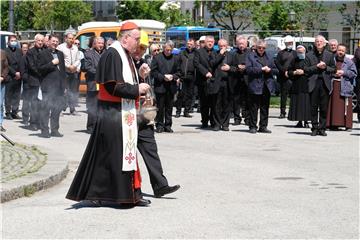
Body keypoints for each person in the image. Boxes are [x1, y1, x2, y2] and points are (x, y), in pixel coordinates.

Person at [66, 22, 152, 207]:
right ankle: (116, 195)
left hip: (121, 113)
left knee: (116, 155)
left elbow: (124, 80)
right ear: (126, 37)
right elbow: (114, 87)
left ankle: (129, 194)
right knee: (111, 156)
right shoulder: (113, 54)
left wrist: (140, 76)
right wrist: (138, 88)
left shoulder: (124, 54)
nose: (138, 43)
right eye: (136, 39)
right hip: (112, 113)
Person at [132, 30, 181, 198]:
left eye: (143, 48)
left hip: (142, 116)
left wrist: (142, 76)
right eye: (139, 47)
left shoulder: (141, 62)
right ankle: (126, 189)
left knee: (150, 148)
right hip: (126, 116)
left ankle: (160, 185)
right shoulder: (123, 61)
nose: (140, 51)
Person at [304, 35, 336, 136]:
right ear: (314, 43)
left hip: (324, 83)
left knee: (324, 107)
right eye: (317, 41)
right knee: (313, 107)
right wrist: (316, 67)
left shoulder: (329, 55)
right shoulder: (309, 55)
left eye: (321, 41)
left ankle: (322, 128)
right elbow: (305, 69)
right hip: (313, 83)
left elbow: (334, 69)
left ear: (324, 43)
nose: (319, 43)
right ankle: (314, 127)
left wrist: (326, 67)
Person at [246, 39, 279, 134]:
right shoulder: (251, 56)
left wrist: (270, 70)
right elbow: (248, 70)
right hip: (255, 85)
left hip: (267, 85)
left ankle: (263, 126)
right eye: (259, 47)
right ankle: (252, 126)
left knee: (265, 107)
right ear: (256, 47)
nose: (261, 49)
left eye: (263, 48)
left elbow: (276, 69)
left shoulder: (269, 56)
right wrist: (261, 69)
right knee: (254, 108)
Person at [37, 34, 66, 138]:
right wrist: (52, 63)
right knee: (46, 109)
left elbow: (63, 71)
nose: (55, 43)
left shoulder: (61, 54)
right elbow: (40, 69)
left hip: (59, 87)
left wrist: (64, 86)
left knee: (57, 109)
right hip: (48, 87)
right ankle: (44, 130)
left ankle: (55, 130)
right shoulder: (42, 54)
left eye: (57, 41)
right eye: (53, 41)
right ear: (48, 42)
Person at [326, 44, 357, 130]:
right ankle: (332, 124)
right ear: (337, 50)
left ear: (345, 52)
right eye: (339, 50)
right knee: (333, 105)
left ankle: (347, 125)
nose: (340, 52)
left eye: (342, 51)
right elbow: (327, 70)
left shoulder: (349, 62)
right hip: (334, 85)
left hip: (345, 85)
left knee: (345, 106)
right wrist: (333, 73)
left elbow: (354, 73)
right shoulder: (332, 60)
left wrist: (344, 72)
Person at [151, 40, 179, 133]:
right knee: (160, 107)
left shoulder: (175, 58)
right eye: (167, 50)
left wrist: (173, 76)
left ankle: (168, 125)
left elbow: (179, 72)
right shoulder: (157, 58)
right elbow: (153, 72)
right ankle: (159, 125)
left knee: (169, 107)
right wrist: (163, 77)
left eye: (170, 50)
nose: (169, 52)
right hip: (160, 86)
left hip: (171, 86)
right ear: (163, 49)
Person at [194, 35, 219, 129]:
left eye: (212, 42)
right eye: (208, 41)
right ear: (205, 42)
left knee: (213, 103)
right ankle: (204, 121)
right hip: (202, 81)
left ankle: (213, 122)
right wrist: (205, 73)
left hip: (213, 82)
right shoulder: (198, 52)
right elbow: (196, 64)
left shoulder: (216, 52)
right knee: (204, 103)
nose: (210, 43)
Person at [226, 35, 251, 126]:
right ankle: (237, 118)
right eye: (239, 44)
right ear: (237, 44)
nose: (241, 45)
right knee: (236, 100)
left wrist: (245, 67)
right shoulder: (233, 54)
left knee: (247, 100)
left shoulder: (250, 53)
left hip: (247, 79)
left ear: (246, 44)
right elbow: (230, 66)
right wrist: (237, 68)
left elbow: (253, 65)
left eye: (243, 44)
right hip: (236, 80)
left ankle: (247, 118)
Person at [83, 36, 105, 134]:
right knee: (93, 106)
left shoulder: (106, 53)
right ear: (94, 44)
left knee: (102, 107)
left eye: (102, 43)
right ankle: (90, 127)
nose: (101, 45)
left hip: (104, 84)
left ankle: (100, 126)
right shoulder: (88, 54)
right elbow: (88, 68)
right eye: (99, 43)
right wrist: (101, 73)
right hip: (93, 84)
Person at [22, 34, 44, 131]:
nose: (40, 42)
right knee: (34, 103)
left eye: (42, 41)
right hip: (34, 80)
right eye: (38, 41)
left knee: (41, 104)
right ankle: (33, 123)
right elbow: (32, 66)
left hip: (43, 81)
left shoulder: (44, 51)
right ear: (35, 41)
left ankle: (39, 122)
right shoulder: (30, 52)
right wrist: (42, 72)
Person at [287, 45, 311, 127]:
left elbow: (313, 70)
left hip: (306, 85)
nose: (300, 54)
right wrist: (294, 72)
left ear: (305, 52)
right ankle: (299, 121)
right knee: (298, 104)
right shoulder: (294, 60)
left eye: (301, 52)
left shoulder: (309, 59)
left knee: (306, 104)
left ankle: (306, 121)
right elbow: (289, 71)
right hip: (296, 85)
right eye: (298, 52)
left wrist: (304, 72)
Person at [57, 33, 81, 115]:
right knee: (63, 91)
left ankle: (72, 109)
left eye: (72, 38)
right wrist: (68, 66)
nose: (71, 40)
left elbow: (78, 59)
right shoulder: (60, 47)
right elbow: (60, 59)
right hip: (64, 72)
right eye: (70, 38)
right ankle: (60, 109)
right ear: (65, 39)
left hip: (73, 72)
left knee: (73, 91)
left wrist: (74, 66)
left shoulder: (75, 48)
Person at [275, 35, 297, 119]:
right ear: (285, 43)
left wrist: (292, 72)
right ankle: (282, 112)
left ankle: (293, 112)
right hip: (283, 77)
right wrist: (284, 71)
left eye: (291, 42)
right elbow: (277, 63)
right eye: (288, 43)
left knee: (293, 95)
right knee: (283, 95)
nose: (289, 44)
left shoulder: (295, 53)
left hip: (293, 76)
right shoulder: (281, 53)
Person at [175, 38, 196, 118]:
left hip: (192, 76)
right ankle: (178, 111)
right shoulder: (182, 53)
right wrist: (178, 76)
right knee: (180, 95)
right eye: (188, 44)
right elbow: (178, 64)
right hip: (182, 76)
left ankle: (186, 111)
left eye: (191, 44)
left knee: (190, 95)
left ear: (194, 45)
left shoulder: (196, 53)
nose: (189, 45)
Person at [4, 35, 22, 120]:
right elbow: (6, 65)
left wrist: (20, 73)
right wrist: (15, 73)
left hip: (19, 76)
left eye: (15, 40)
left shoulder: (19, 51)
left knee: (17, 95)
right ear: (8, 42)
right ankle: (8, 112)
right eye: (12, 40)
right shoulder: (5, 51)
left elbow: (22, 62)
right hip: (10, 76)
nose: (13, 42)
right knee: (8, 95)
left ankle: (15, 112)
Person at [0, 49, 9, 131]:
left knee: (0, 104)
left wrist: (2, 76)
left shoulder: (2, 53)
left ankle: (0, 123)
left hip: (1, 83)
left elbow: (6, 67)